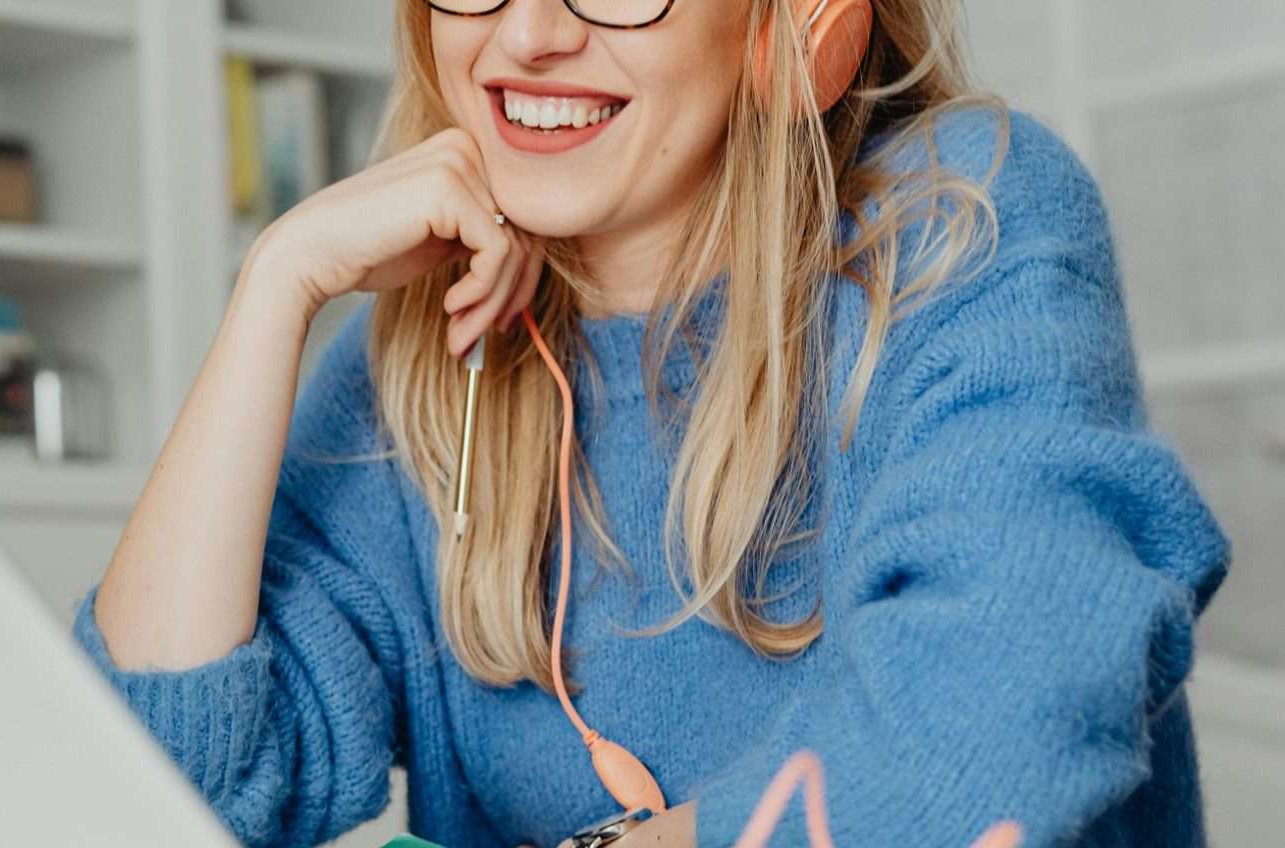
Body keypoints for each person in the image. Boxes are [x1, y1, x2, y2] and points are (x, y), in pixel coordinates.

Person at [81, 0, 1232, 845]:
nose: (525, 33)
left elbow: (984, 744)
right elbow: (160, 786)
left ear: (801, 26)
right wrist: (277, 285)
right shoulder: (422, 359)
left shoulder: (962, 219)